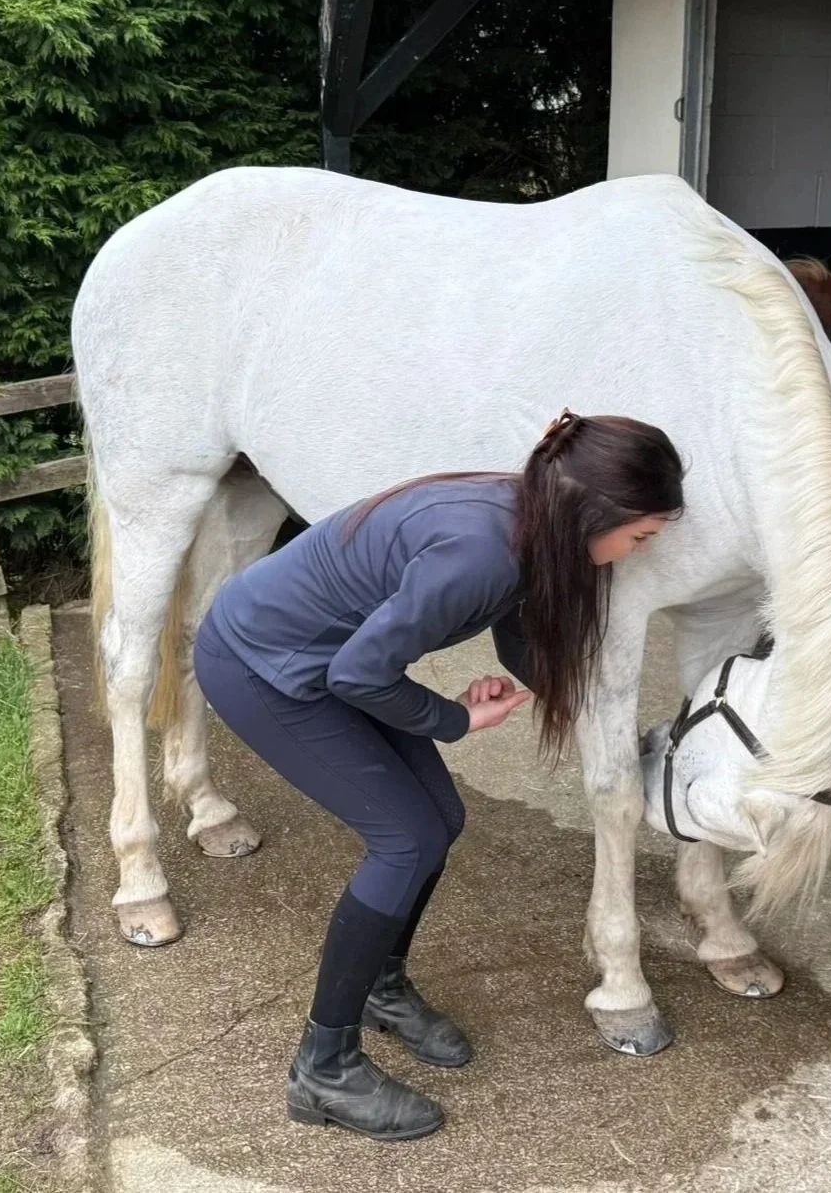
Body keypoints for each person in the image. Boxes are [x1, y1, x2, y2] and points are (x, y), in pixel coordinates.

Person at [192, 410, 684, 1142]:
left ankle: (381, 988)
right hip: (262, 666)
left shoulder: (530, 520)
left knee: (439, 822)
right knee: (404, 839)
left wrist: (581, 712)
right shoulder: (481, 551)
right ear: (597, 513)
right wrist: (454, 720)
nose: (635, 553)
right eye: (640, 536)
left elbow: (513, 621)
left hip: (328, 662)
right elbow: (361, 673)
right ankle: (322, 1070)